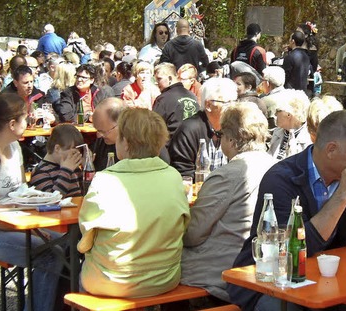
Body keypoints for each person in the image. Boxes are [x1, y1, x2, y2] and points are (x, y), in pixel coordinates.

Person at [228, 110, 346, 310]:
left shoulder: (343, 180)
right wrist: (343, 195)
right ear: (331, 150)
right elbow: (294, 249)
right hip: (270, 283)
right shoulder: (281, 179)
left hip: (322, 282)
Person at [0, 94, 64, 311]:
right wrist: (31, 230)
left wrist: (35, 227)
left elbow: (22, 194)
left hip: (12, 224)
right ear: (12, 124)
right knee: (49, 254)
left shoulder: (14, 148)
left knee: (67, 244)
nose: (30, 121)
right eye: (26, 117)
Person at [78, 107, 190, 298]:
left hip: (112, 280)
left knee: (78, 273)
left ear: (126, 143)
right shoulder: (174, 177)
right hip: (164, 278)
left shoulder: (104, 180)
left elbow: (85, 240)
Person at [180, 103, 276, 308]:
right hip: (259, 264)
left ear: (231, 139)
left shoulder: (228, 175)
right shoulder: (275, 166)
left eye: (220, 134)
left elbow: (192, 234)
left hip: (221, 271)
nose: (218, 139)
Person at [168, 77, 237, 177]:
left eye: (234, 101)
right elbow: (183, 171)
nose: (232, 107)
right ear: (208, 105)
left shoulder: (233, 128)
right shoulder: (189, 129)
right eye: (226, 103)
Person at [29, 124, 83, 197]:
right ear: (57, 148)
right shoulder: (40, 172)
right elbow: (52, 199)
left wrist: (87, 168)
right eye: (73, 152)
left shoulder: (73, 167)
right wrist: (66, 171)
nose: (76, 155)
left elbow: (85, 192)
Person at [152, 62, 199, 140]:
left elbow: (154, 129)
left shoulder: (163, 100)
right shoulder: (192, 96)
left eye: (159, 79)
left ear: (170, 79)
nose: (156, 82)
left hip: (171, 147)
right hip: (192, 144)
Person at [268, 89, 312, 160]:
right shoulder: (277, 132)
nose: (275, 114)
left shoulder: (308, 140)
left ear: (288, 114)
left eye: (278, 111)